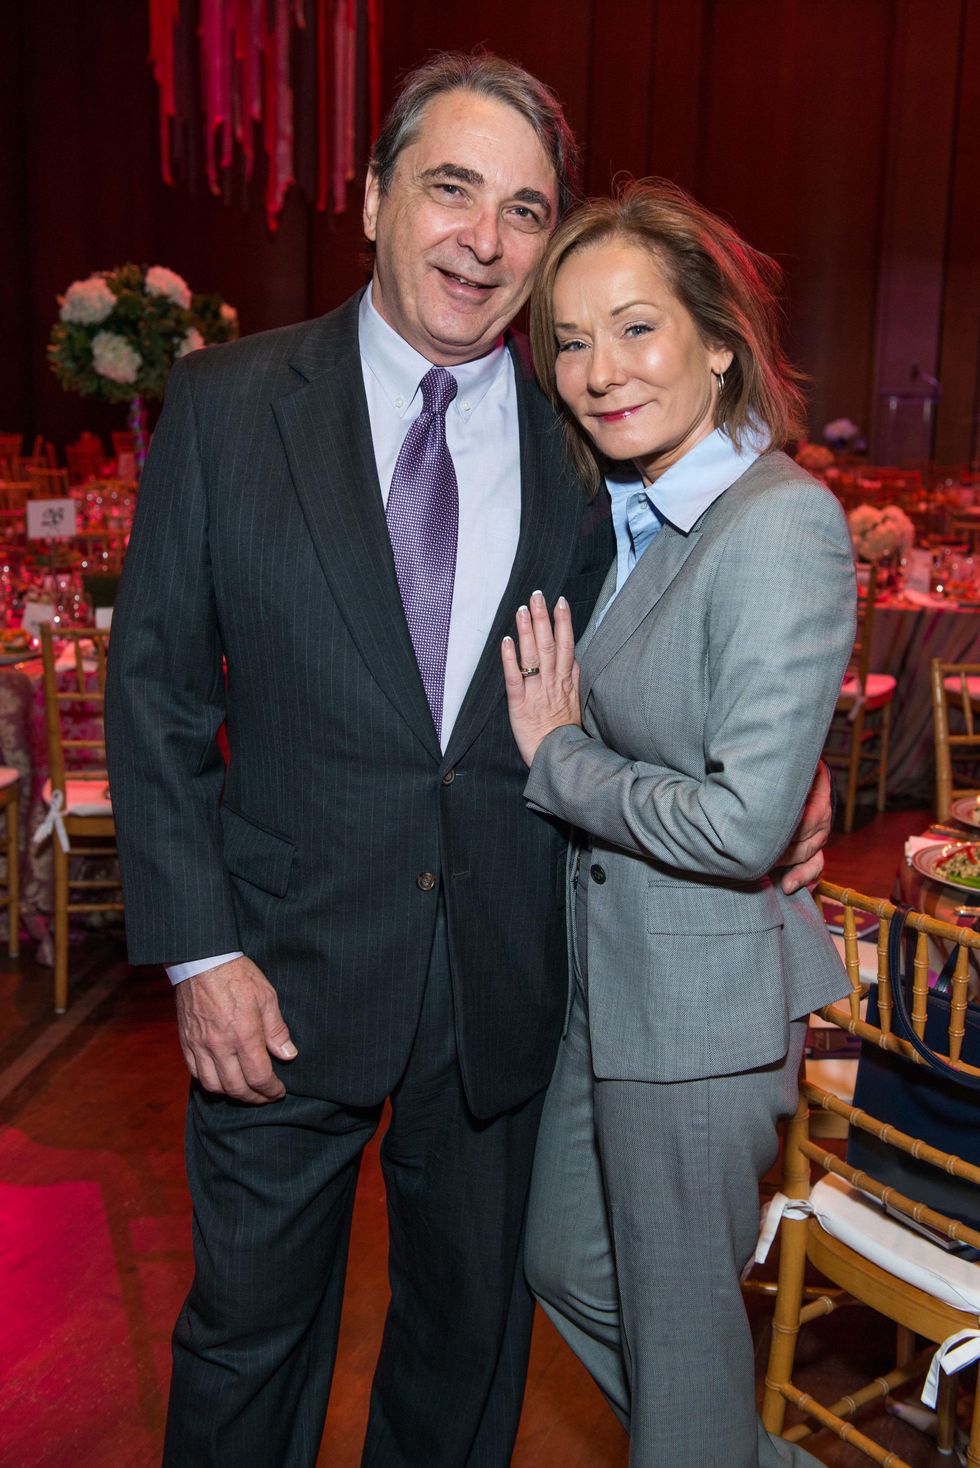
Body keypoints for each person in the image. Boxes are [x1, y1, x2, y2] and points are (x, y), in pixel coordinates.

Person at [105, 52, 832, 1468]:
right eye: (451, 189)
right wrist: (199, 956)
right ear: (374, 197)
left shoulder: (592, 432)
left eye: (523, 208)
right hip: (278, 975)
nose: (484, 240)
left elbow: (731, 577)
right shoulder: (226, 405)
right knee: (246, 1346)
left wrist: (789, 766)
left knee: (464, 1354)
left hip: (507, 982)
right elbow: (156, 698)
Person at [500, 180, 855, 1467]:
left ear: (717, 341)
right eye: (572, 343)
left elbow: (739, 821)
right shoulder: (634, 516)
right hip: (617, 986)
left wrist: (559, 757)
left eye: (634, 329)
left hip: (701, 1011)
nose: (598, 372)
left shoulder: (776, 521)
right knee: (566, 1267)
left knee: (685, 1339)